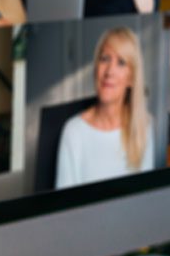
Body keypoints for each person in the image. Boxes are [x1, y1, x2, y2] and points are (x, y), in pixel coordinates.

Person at [55, 27, 155, 188]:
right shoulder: (73, 132)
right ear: (95, 68)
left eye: (121, 62)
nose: (109, 71)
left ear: (131, 78)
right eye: (104, 59)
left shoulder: (144, 126)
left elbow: (145, 199)